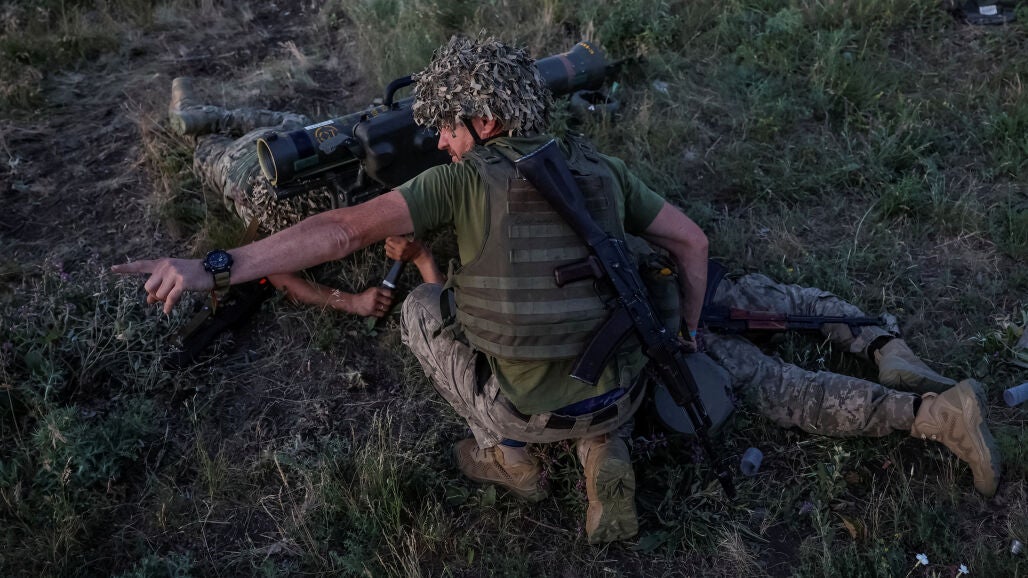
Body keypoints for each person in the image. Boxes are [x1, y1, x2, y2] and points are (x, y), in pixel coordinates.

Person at [115, 36, 1001, 544]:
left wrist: (216, 266)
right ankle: (607, 451)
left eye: (449, 128)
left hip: (528, 404)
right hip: (627, 387)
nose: (442, 143)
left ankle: (512, 458)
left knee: (422, 312)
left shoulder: (456, 184)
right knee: (748, 376)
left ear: (483, 121)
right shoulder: (600, 168)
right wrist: (690, 332)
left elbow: (341, 230)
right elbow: (691, 242)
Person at [166, 77, 443, 317]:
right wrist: (350, 301)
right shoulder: (282, 215)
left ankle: (214, 115)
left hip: (293, 143)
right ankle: (194, 112)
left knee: (294, 121)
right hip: (241, 171)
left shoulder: (380, 154)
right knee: (201, 144)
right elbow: (280, 275)